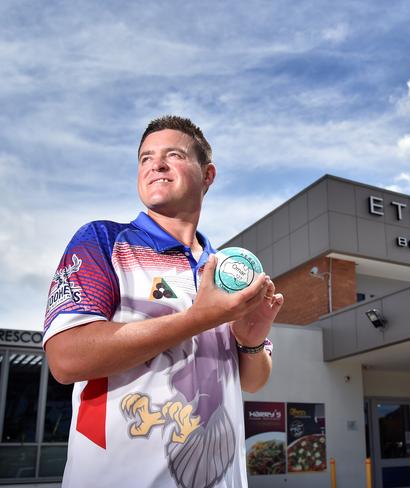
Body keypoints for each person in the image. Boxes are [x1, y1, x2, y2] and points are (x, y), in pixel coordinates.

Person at [43, 115, 283, 488]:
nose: (155, 164)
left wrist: (251, 340)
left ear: (208, 175)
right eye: (145, 158)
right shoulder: (103, 240)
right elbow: (65, 358)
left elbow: (253, 382)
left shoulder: (228, 269)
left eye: (173, 155)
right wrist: (199, 319)